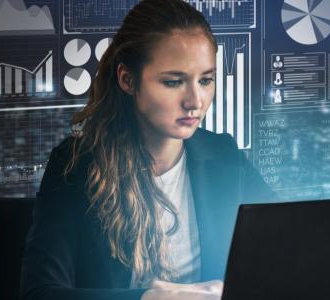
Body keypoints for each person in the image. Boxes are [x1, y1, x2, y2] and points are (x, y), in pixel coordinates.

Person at [19, 0, 276, 299]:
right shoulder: (75, 165)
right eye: (173, 82)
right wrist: (146, 298)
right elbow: (39, 293)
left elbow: (289, 242)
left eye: (206, 80)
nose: (195, 101)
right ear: (128, 80)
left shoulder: (224, 155)